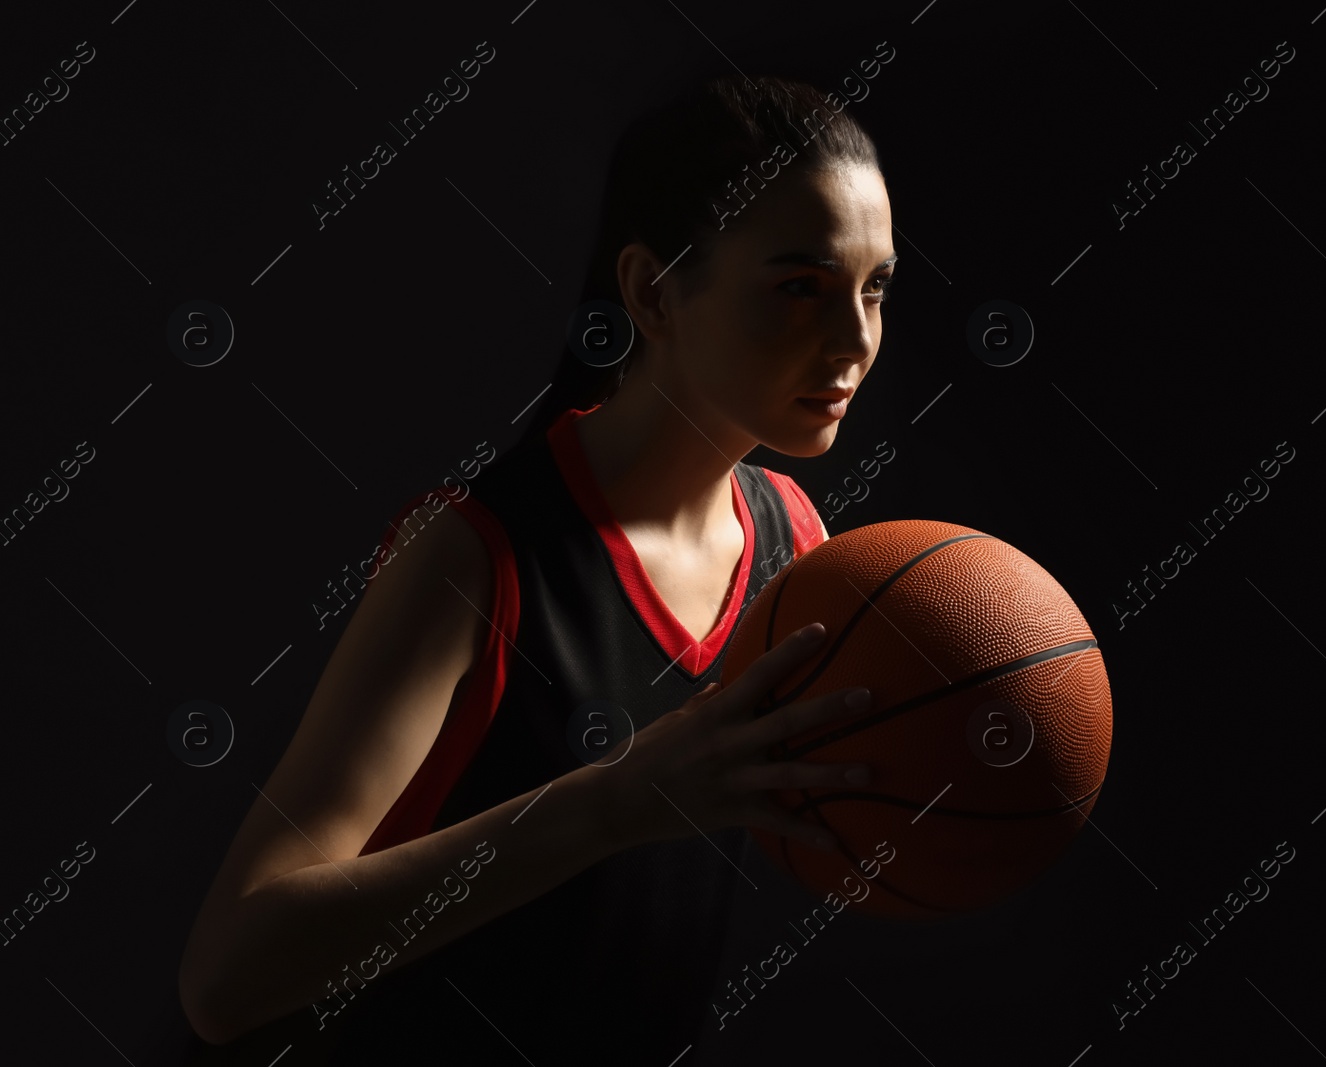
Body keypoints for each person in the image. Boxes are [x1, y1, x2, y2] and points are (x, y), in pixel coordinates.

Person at [177, 73, 898, 1064]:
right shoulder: (476, 556)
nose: (856, 340)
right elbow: (227, 975)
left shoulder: (797, 545)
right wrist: (613, 801)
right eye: (798, 287)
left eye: (874, 288)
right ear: (652, 290)